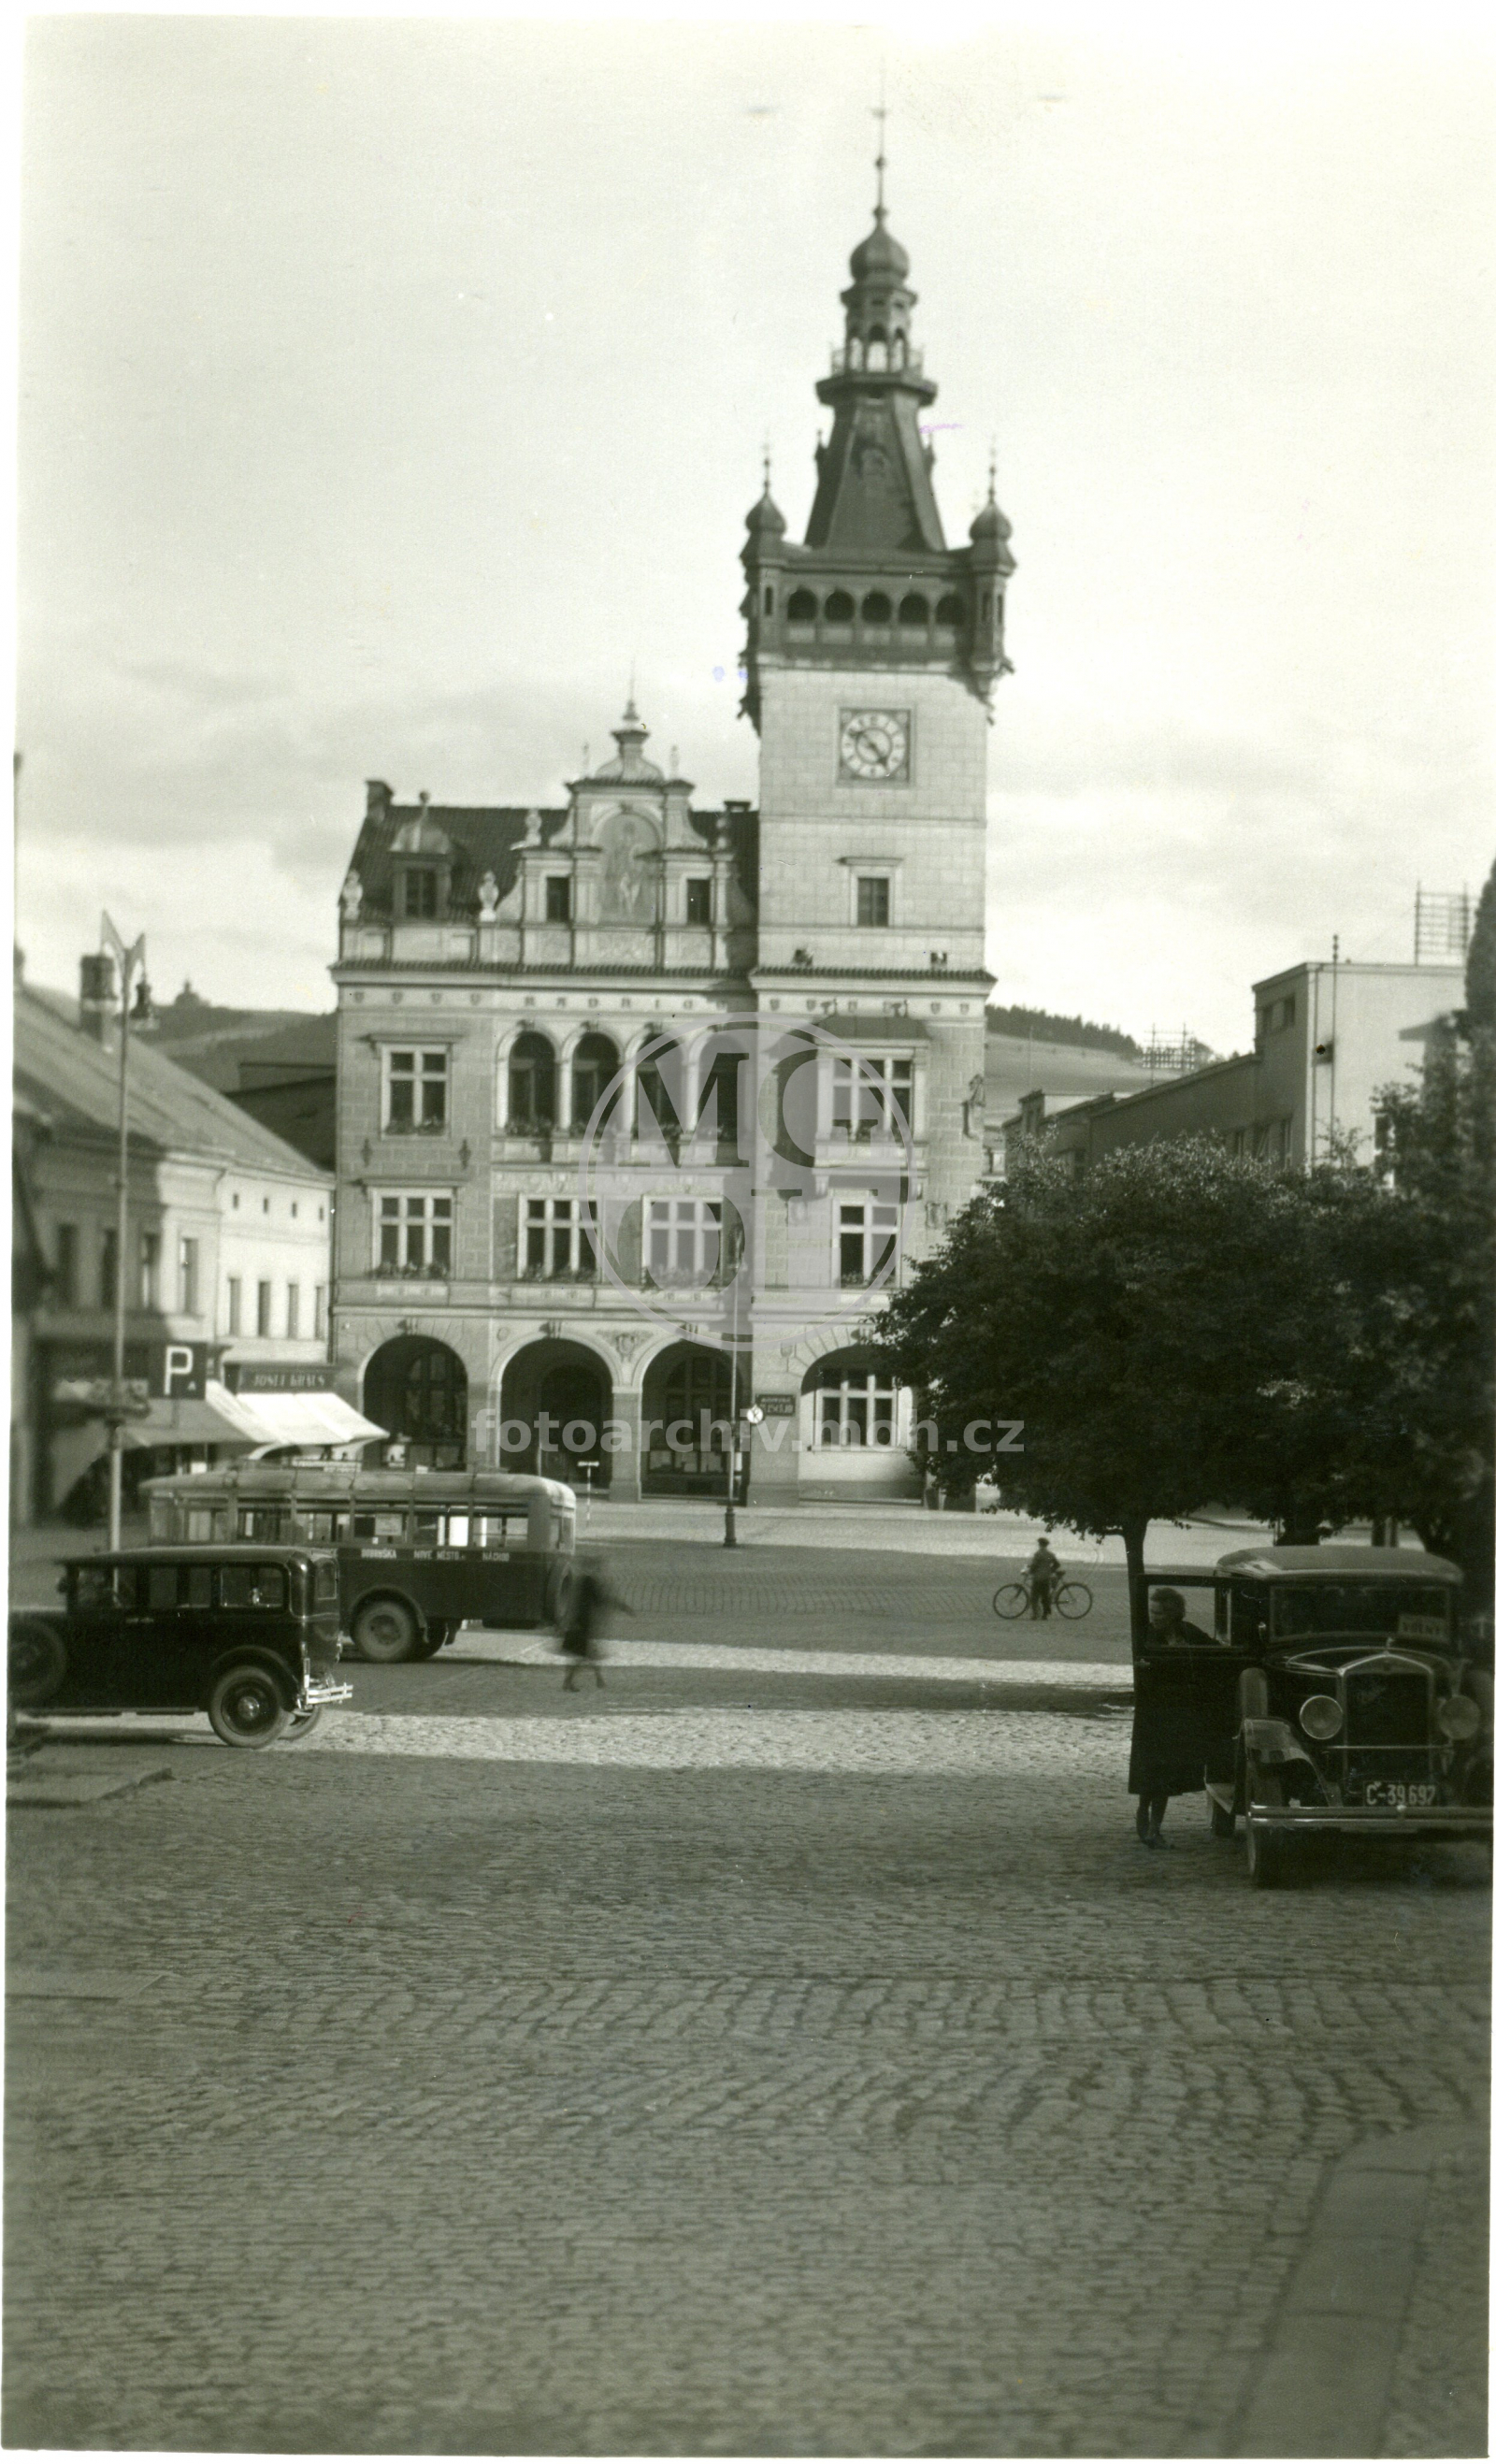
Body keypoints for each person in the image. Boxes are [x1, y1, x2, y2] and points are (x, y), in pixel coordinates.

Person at [1129, 1586, 1217, 1846]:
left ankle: (1154, 1828)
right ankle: (1144, 1814)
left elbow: (1216, 1650)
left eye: (1159, 1613)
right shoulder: (1146, 1636)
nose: (1154, 1617)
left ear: (1173, 1614)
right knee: (1151, 1773)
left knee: (1165, 1777)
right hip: (1154, 1714)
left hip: (1178, 1715)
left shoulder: (1188, 1632)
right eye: (1152, 1612)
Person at [557, 1553, 626, 1692]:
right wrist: (619, 1605)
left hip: (581, 1621)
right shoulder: (589, 1581)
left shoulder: (583, 1580)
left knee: (584, 1653)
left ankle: (594, 1679)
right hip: (583, 1622)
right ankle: (586, 1680)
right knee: (584, 1653)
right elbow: (600, 1599)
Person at [1026, 1535, 1062, 1620]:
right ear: (1046, 1545)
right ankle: (1045, 1615)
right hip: (1046, 1578)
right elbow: (1057, 1564)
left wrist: (1029, 1572)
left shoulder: (1038, 1554)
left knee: (1034, 1597)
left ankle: (1035, 1615)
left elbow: (1034, 1566)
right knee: (1045, 1597)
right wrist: (1050, 1570)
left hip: (1038, 1578)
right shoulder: (1050, 1554)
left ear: (1039, 1544)